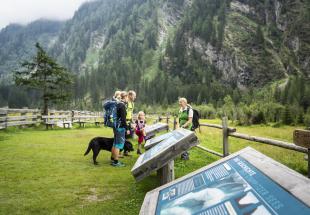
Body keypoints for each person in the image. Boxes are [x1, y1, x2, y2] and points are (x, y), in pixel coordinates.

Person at [111, 91, 130, 167]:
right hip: (120, 127)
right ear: (125, 97)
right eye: (127, 97)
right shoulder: (122, 106)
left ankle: (113, 159)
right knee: (118, 144)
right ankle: (116, 162)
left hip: (116, 127)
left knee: (115, 143)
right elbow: (123, 119)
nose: (128, 99)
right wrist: (127, 128)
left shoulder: (118, 104)